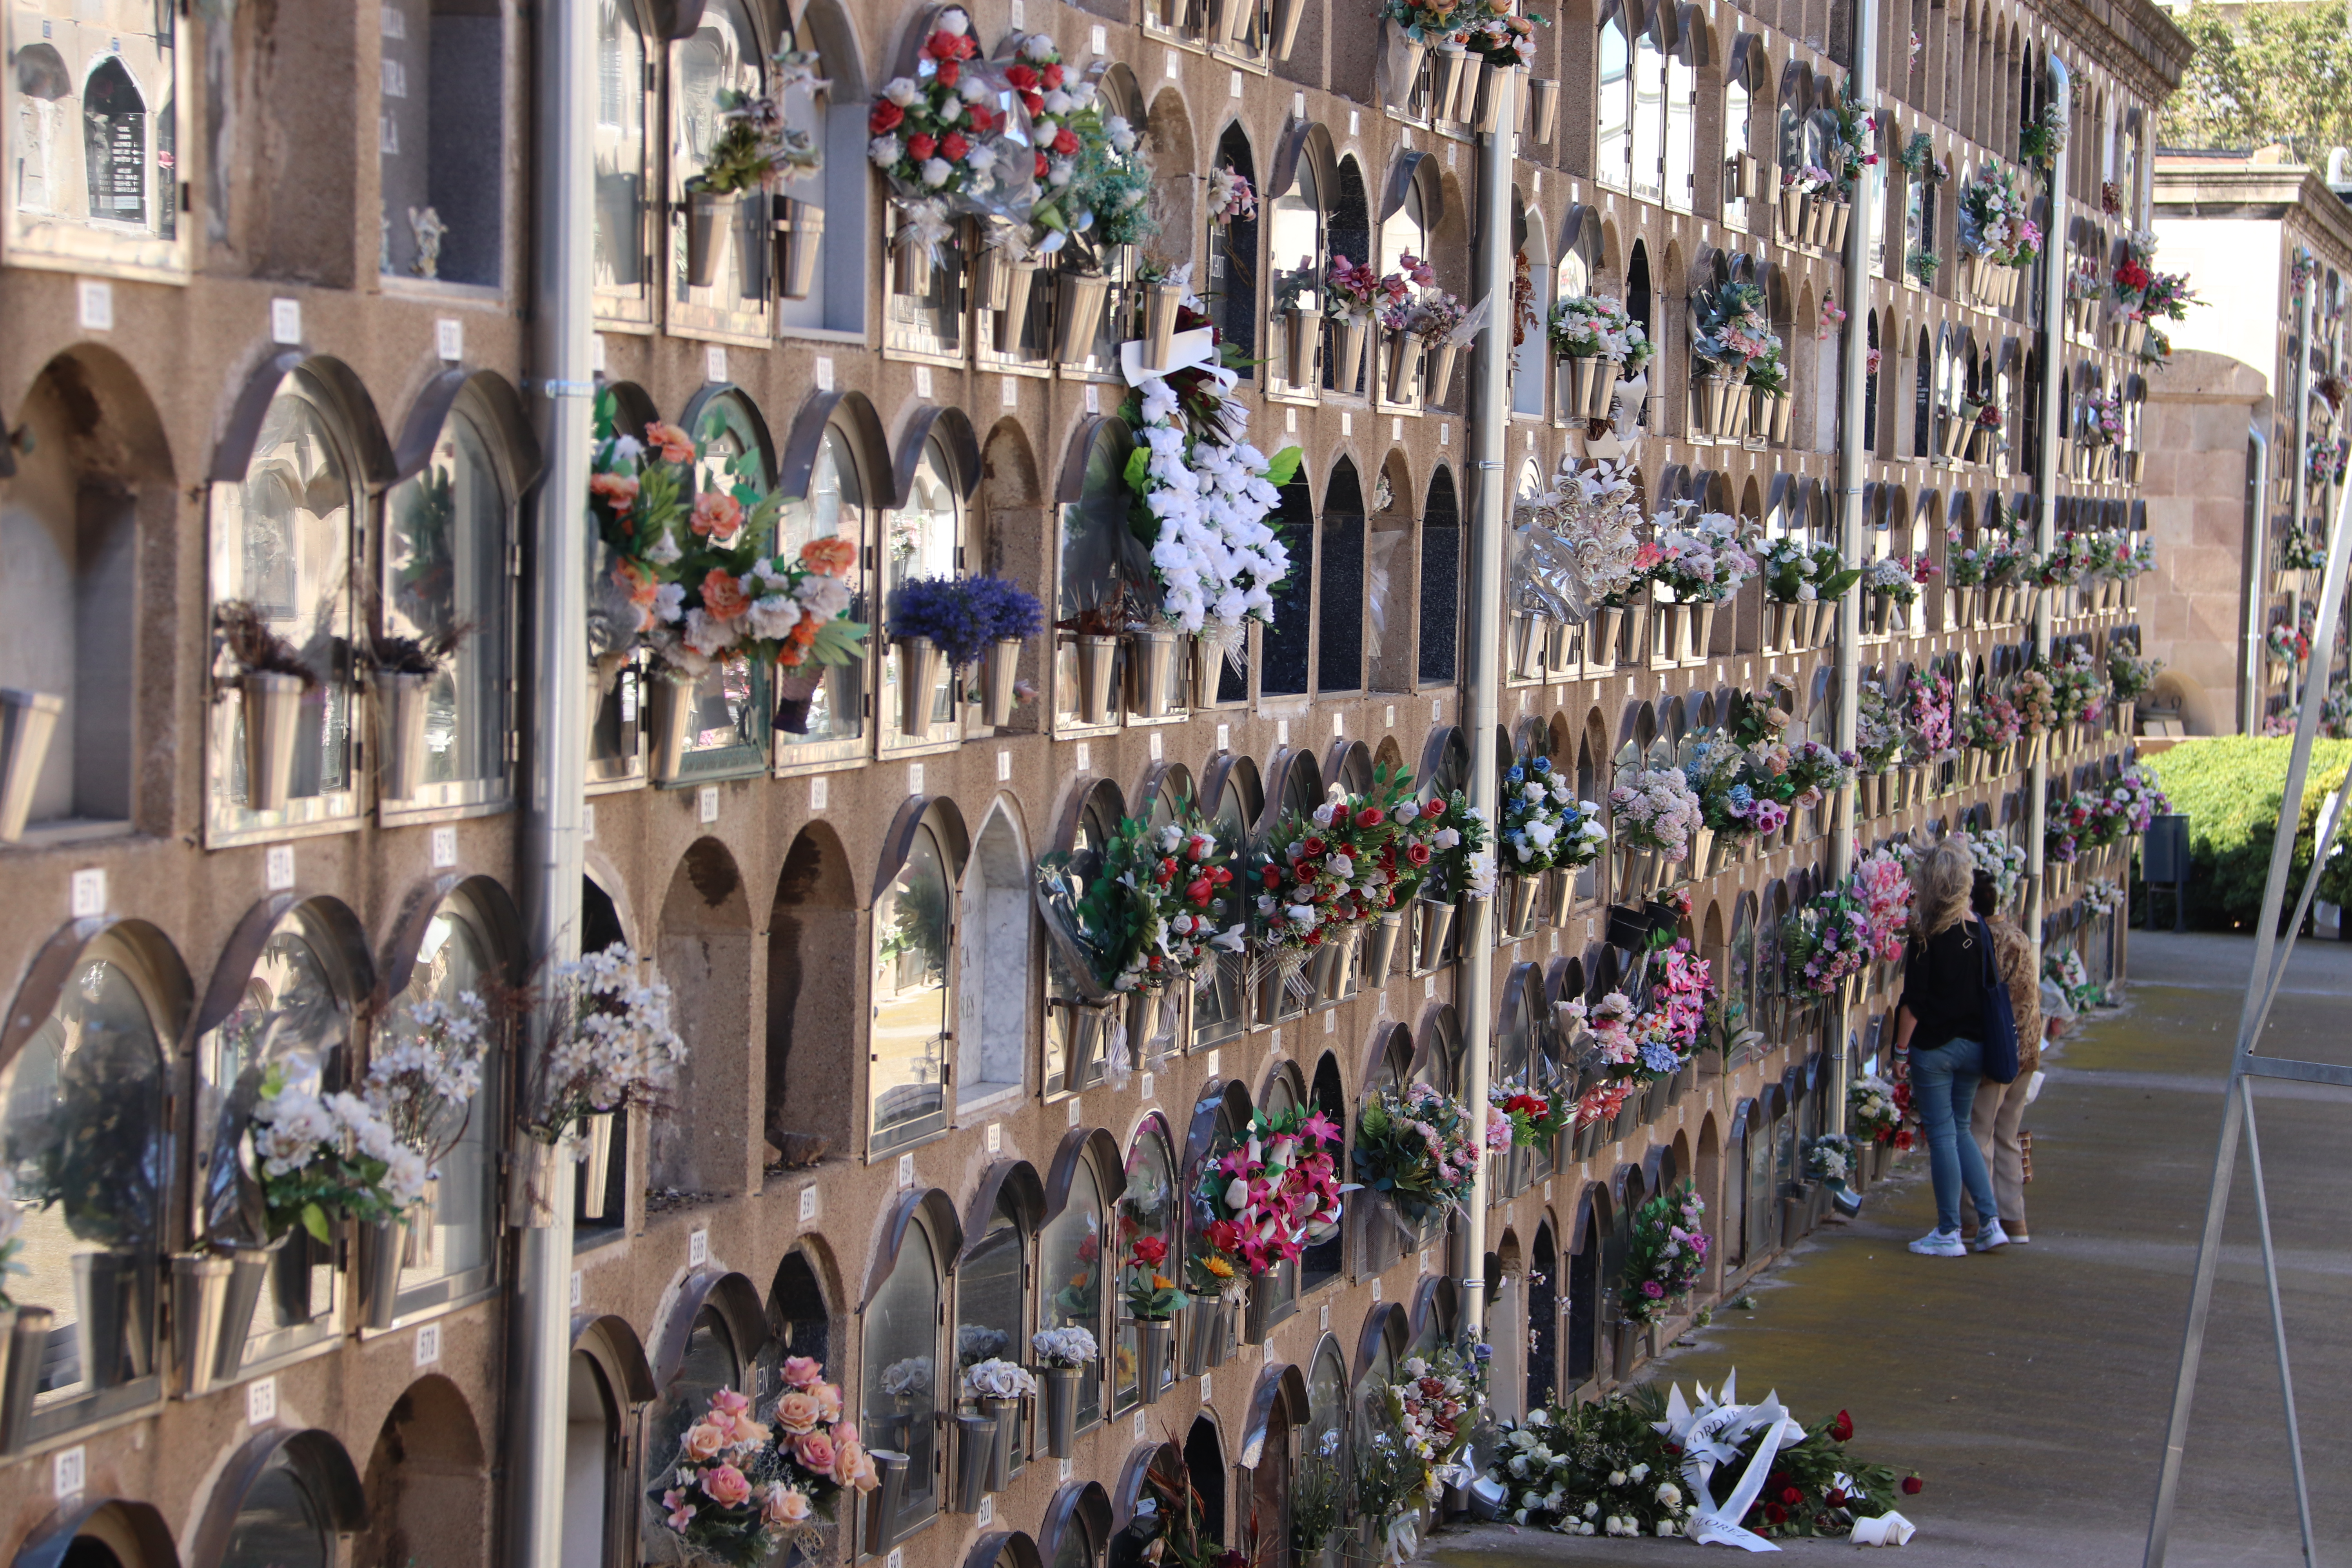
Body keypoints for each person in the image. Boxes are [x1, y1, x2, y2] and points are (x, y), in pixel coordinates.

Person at [1891, 839, 2007, 1257]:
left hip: (1935, 1050)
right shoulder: (1980, 929)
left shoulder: (1925, 933)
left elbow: (1914, 1004)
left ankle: (1949, 1231)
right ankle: (1991, 1223)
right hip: (1975, 1045)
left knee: (1941, 1134)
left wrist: (1900, 1053)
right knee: (1962, 1131)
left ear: (1930, 880)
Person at [1964, 871, 2040, 1244]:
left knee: (1979, 1134)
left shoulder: (1984, 941)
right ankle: (2015, 1220)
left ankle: (1976, 1220)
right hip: (2027, 1051)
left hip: (1997, 1051)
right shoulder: (2017, 935)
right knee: (2008, 1134)